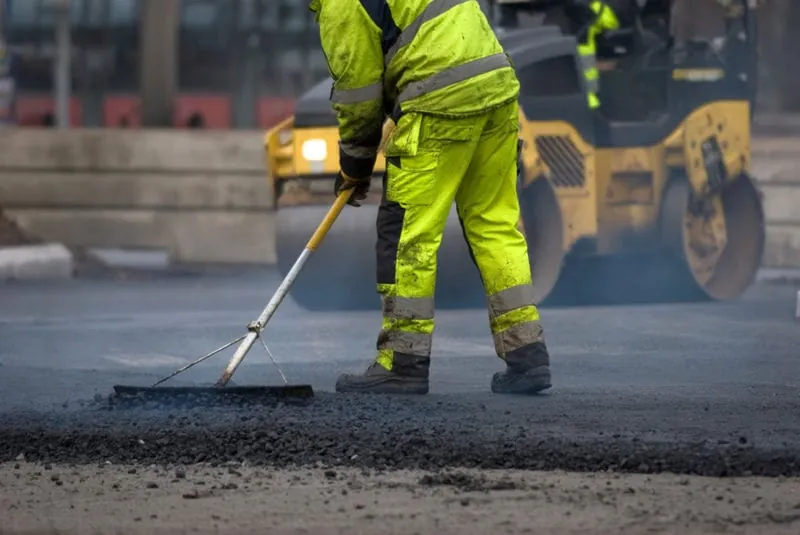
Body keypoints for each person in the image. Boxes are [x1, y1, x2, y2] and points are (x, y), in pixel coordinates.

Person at [308, 0, 553, 395]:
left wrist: (354, 166)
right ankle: (527, 354)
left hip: (439, 102)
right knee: (495, 225)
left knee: (408, 234)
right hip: (497, 89)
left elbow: (358, 94)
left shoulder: (341, 4)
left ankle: (402, 362)